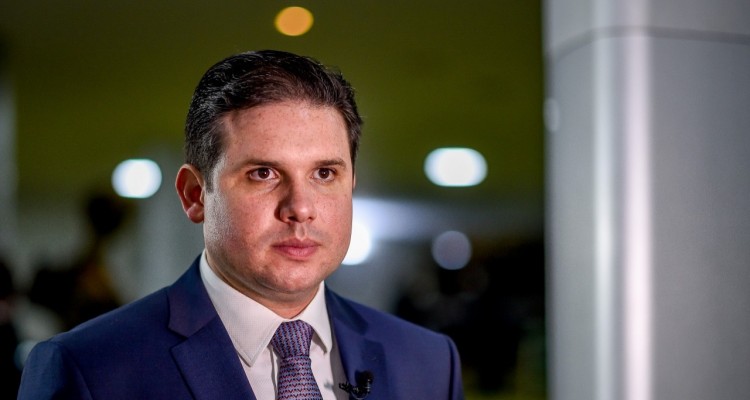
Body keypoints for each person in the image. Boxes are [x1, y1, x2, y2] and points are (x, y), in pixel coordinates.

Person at [18, 49, 464, 399]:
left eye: (325, 173)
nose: (300, 208)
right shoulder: (88, 368)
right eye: (263, 173)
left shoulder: (429, 363)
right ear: (195, 195)